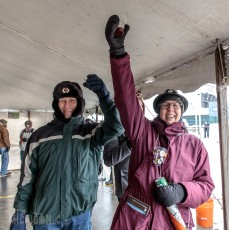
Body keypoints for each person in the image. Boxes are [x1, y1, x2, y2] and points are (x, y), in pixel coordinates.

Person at [105, 15, 215, 229]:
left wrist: (181, 191)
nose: (171, 109)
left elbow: (206, 185)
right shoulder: (142, 132)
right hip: (137, 221)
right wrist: (118, 55)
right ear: (158, 111)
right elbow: (126, 99)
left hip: (175, 221)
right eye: (165, 106)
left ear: (181, 112)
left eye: (176, 106)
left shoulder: (194, 145)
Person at [10, 74, 123, 230]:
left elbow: (116, 126)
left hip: (79, 215)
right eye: (62, 101)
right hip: (44, 215)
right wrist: (19, 213)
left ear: (79, 103)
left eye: (72, 100)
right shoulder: (39, 136)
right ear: (56, 104)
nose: (67, 105)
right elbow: (27, 177)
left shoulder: (90, 132)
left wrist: (105, 98)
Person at [103, 92, 145, 201]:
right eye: (131, 106)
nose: (135, 110)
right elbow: (109, 160)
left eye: (138, 107)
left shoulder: (149, 128)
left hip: (147, 187)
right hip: (126, 188)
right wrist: (129, 145)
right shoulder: (115, 129)